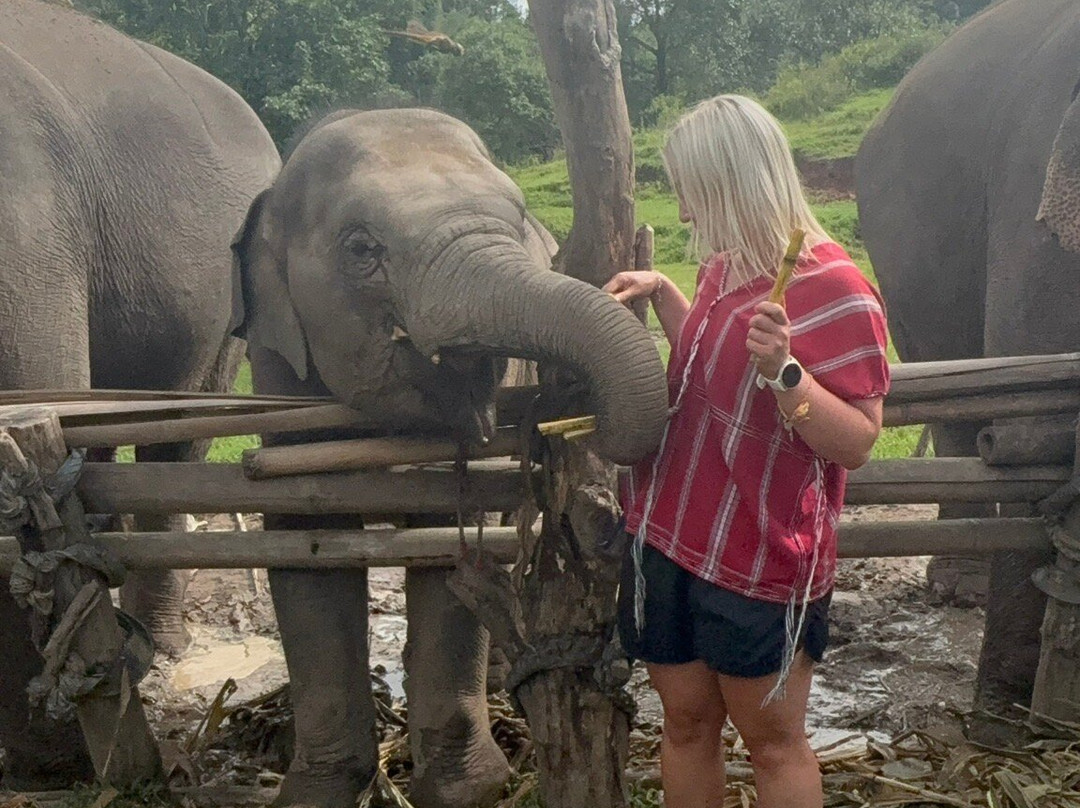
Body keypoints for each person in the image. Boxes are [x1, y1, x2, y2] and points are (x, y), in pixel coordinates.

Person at [603, 95, 889, 808]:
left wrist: (786, 372)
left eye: (689, 191)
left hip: (758, 553)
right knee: (685, 723)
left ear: (729, 182)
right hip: (670, 535)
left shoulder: (833, 289)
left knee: (773, 747)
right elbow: (710, 372)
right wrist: (668, 292)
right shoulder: (722, 270)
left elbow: (856, 441)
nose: (681, 211)